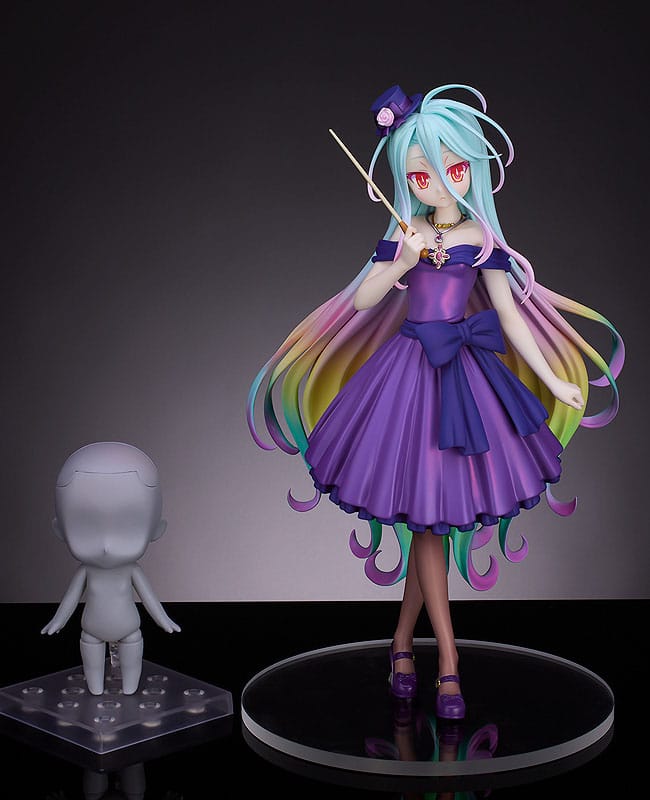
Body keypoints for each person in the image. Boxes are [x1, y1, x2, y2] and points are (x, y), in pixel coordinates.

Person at [247, 84, 623, 719]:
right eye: (421, 174)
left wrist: (554, 378)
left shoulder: (481, 236)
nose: (439, 183)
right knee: (427, 523)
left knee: (431, 522)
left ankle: (402, 643)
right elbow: (363, 300)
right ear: (404, 179)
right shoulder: (407, 233)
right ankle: (447, 661)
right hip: (407, 378)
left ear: (471, 169)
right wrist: (403, 262)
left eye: (453, 169)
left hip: (466, 382)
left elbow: (508, 314)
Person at [41, 441, 181, 695]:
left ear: (156, 529)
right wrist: (57, 620)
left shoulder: (130, 571)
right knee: (93, 669)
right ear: (60, 529)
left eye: (128, 527)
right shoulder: (87, 571)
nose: (106, 546)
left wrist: (164, 619)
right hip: (91, 631)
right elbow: (70, 600)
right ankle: (96, 689)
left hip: (129, 630)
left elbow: (150, 600)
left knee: (131, 667)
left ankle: (129, 689)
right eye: (86, 527)